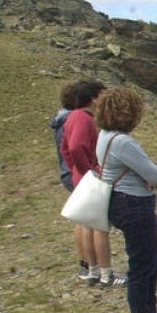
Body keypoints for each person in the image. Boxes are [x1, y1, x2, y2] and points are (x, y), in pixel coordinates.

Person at [95, 86, 157, 313]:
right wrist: (152, 180)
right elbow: (156, 175)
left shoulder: (105, 135)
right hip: (134, 204)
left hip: (122, 201)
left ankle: (150, 312)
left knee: (150, 258)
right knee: (143, 261)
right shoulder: (123, 142)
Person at [60, 80, 126, 287]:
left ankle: (92, 269)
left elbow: (65, 149)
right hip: (90, 178)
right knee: (99, 226)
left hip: (82, 178)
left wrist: (77, 170)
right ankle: (106, 274)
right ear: (94, 98)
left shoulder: (73, 117)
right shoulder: (84, 119)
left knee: (86, 224)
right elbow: (77, 146)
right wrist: (91, 170)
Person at [50, 82, 94, 280]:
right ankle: (92, 267)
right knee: (88, 222)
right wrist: (86, 171)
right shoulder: (75, 119)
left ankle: (85, 265)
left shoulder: (62, 120)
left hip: (70, 174)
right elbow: (74, 149)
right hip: (77, 174)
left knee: (81, 221)